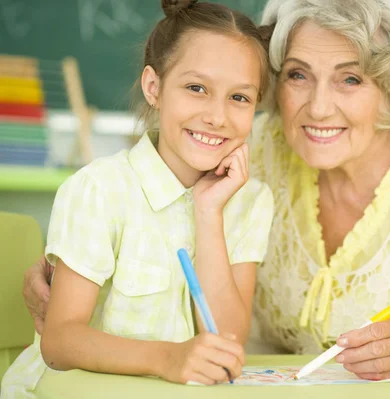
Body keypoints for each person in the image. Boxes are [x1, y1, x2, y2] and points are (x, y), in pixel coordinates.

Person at [22, 0, 390, 383]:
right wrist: (61, 274)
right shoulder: (255, 146)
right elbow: (134, 209)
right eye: (298, 75)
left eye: (350, 78)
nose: (318, 107)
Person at [2, 1, 274, 397]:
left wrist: (208, 212)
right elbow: (60, 342)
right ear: (154, 87)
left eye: (240, 98)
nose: (217, 116)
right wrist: (168, 358)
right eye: (196, 88)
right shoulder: (100, 189)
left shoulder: (251, 201)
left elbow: (227, 339)